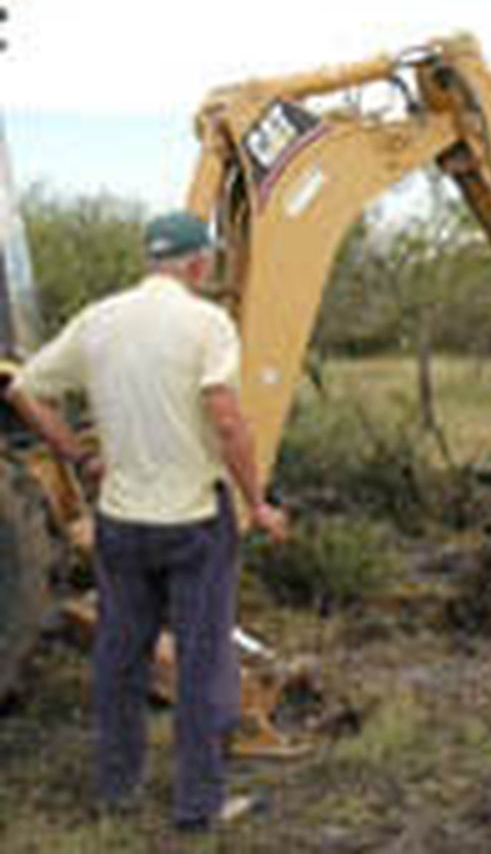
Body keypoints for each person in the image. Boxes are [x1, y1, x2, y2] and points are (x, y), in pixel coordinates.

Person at [4, 210, 289, 832]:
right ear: (197, 263)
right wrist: (259, 500)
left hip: (121, 520)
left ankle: (116, 789)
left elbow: (23, 389)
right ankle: (199, 806)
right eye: (208, 260)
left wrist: (76, 455)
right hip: (191, 519)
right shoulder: (206, 323)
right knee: (203, 660)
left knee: (119, 657)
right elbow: (227, 416)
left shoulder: (99, 320)